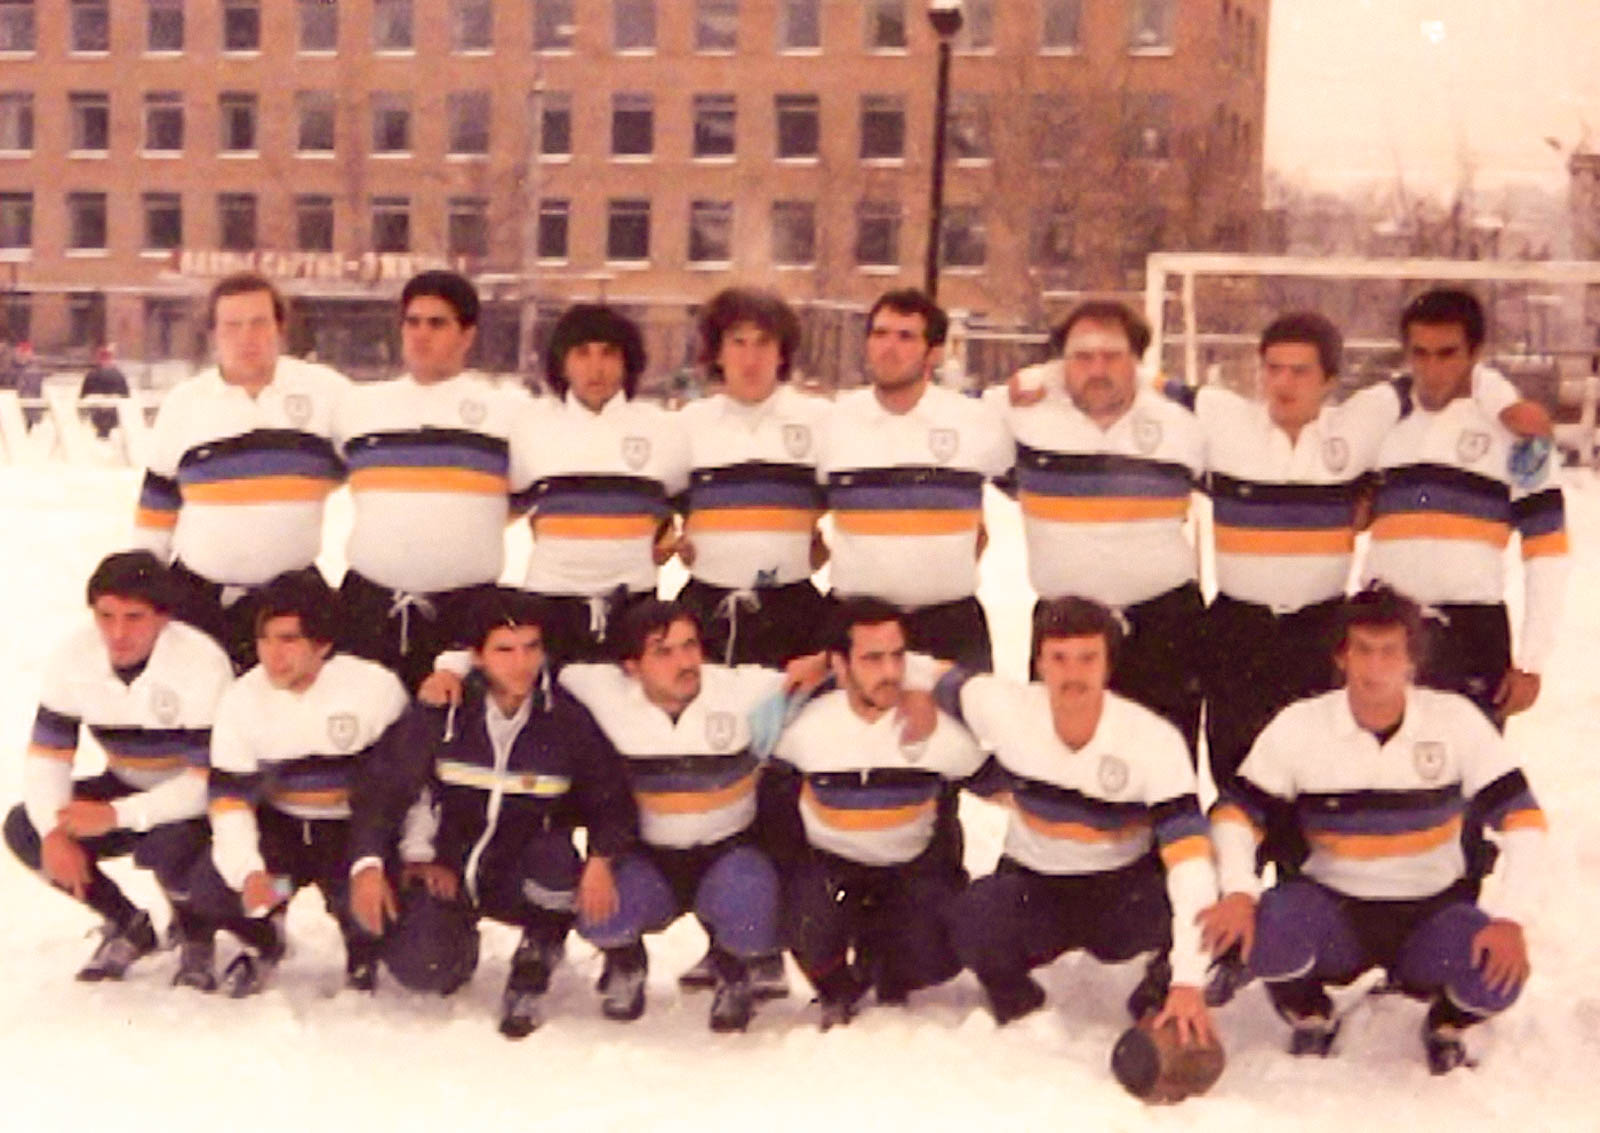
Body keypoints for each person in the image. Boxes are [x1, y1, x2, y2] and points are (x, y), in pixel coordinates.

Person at [1194, 311, 1544, 814]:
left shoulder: (1363, 423)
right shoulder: (1224, 423)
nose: (1284, 383)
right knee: (1234, 777)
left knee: (1316, 778)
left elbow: (1442, 372)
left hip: (1319, 628)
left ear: (1330, 381)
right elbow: (1145, 387)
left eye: (1301, 371)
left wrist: (1506, 401)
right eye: (1273, 368)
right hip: (1238, 628)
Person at [1202, 587, 1547, 1073]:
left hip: (1431, 913)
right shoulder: (1301, 725)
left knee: (1497, 975)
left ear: (1412, 660)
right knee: (1265, 933)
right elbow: (1235, 814)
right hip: (1333, 909)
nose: (1374, 665)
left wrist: (1511, 918)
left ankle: (1447, 1023)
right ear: (1341, 656)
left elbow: (1524, 820)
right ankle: (1309, 1011)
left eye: (1389, 651)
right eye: (1362, 649)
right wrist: (1239, 890)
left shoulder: (1455, 722)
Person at [345, 587, 638, 1037]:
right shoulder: (445, 710)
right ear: (476, 657)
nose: (521, 663)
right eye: (504, 650)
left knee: (556, 857)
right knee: (422, 969)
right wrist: (372, 863)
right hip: (449, 868)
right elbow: (384, 788)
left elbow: (611, 797)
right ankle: (456, 945)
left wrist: (601, 858)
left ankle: (537, 955)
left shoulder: (565, 719)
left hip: (524, 872)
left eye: (531, 648)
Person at [934, 597, 1220, 1047]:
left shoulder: (1153, 740)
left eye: (1088, 658)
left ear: (1109, 665)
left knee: (1207, 892)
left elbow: (1189, 863)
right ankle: (1017, 1001)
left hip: (1123, 888)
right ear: (1038, 664)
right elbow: (931, 677)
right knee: (972, 915)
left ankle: (1160, 991)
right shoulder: (1005, 707)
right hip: (1036, 883)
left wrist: (1188, 980)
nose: (1073, 674)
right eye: (1059, 658)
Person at [558, 601, 802, 1032]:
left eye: (690, 645)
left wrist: (820, 664)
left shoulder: (740, 690)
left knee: (754, 901)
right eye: (664, 652)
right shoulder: (602, 692)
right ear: (632, 667)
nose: (685, 661)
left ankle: (734, 969)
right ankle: (625, 962)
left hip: (728, 852)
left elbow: (825, 673)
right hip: (649, 856)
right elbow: (527, 666)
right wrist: (451, 669)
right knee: (598, 914)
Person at [2, 552, 233, 983]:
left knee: (169, 844)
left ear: (164, 617)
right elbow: (48, 757)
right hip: (127, 781)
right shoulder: (73, 657)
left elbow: (206, 782)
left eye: (134, 617)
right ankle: (128, 924)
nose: (118, 633)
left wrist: (114, 815)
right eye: (105, 616)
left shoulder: (202, 663)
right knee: (25, 828)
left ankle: (196, 934)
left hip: (194, 802)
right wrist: (53, 831)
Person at [178, 571, 410, 996]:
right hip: (285, 833)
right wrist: (249, 872)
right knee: (215, 892)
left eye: (288, 640)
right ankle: (267, 937)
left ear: (322, 645)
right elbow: (229, 802)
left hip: (351, 834)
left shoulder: (375, 689)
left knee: (371, 904)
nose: (273, 654)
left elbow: (400, 787)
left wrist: (376, 860)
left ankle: (361, 941)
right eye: (265, 639)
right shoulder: (242, 700)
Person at [996, 301, 1205, 753]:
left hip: (1163, 628)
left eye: (1112, 356)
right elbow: (951, 414)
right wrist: (1041, 379)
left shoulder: (1182, 423)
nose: (1097, 369)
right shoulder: (1024, 417)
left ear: (1138, 362)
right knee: (1059, 768)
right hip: (1063, 629)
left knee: (1163, 768)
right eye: (1082, 356)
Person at [769, 598, 984, 1028]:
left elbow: (1003, 778)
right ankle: (836, 987)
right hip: (832, 871)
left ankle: (886, 962)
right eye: (872, 659)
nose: (889, 672)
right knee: (797, 911)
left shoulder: (934, 726)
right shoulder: (803, 726)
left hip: (910, 869)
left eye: (897, 656)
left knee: (942, 947)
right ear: (839, 665)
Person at [1364, 288, 1568, 727]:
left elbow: (1547, 552)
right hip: (1383, 628)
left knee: (1467, 768)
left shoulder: (1516, 433)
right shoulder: (1381, 422)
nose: (1431, 368)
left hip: (1471, 634)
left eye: (1447, 353)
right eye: (1419, 353)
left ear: (1475, 353)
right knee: (1372, 766)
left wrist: (1532, 660)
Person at [133, 273, 349, 670]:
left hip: (292, 605)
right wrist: (141, 593)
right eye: (232, 325)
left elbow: (376, 477)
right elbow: (155, 512)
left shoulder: (328, 394)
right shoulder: (185, 404)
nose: (247, 337)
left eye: (259, 323)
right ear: (213, 333)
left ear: (280, 327)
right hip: (198, 601)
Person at [335, 270, 539, 690]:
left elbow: (527, 496)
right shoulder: (358, 408)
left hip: (466, 612)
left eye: (437, 323)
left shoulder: (509, 414)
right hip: (368, 608)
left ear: (467, 335)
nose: (421, 334)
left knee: (449, 726)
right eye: (412, 322)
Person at [817, 289, 1013, 674]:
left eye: (906, 337)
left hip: (949, 627)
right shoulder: (832, 422)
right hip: (857, 626)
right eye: (880, 334)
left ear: (934, 353)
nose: (889, 348)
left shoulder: (974, 422)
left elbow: (1037, 490)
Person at [514, 304, 689, 666]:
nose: (596, 367)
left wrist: (672, 538)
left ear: (627, 362)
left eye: (608, 353)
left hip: (633, 607)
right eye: (582, 353)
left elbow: (689, 509)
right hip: (549, 605)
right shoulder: (530, 429)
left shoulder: (664, 431)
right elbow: (496, 508)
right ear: (562, 363)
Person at [673, 287, 831, 666]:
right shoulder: (687, 426)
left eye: (763, 343)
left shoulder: (819, 421)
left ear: (782, 353)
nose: (751, 358)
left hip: (794, 614)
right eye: (738, 342)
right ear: (717, 352)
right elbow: (654, 507)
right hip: (707, 611)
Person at [80, 344, 130, 439]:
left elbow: (83, 395)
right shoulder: (118, 375)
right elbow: (126, 395)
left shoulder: (91, 375)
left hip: (97, 415)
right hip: (113, 415)